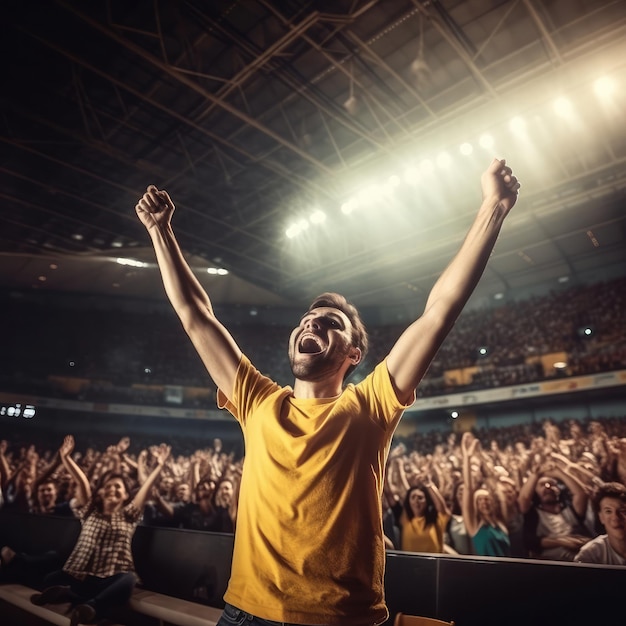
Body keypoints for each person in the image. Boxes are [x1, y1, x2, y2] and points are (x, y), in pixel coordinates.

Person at [135, 158, 520, 625]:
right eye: (306, 320)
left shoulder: (371, 405)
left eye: (330, 323)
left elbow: (440, 310)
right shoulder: (258, 401)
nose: (311, 322)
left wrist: (493, 207)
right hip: (245, 614)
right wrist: (160, 232)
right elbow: (196, 315)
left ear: (354, 354)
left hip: (341, 618)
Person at [30, 435, 170, 626]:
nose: (113, 489)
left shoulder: (129, 515)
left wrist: (159, 466)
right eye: (108, 486)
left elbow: (145, 489)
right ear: (101, 492)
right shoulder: (89, 512)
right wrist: (66, 459)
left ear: (126, 495)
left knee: (127, 581)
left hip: (111, 578)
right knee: (50, 578)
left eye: (118, 487)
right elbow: (83, 483)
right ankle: (73, 595)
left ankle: (88, 606)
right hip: (79, 575)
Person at [460, 432, 511, 556]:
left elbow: (495, 486)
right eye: (480, 500)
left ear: (493, 502)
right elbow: (468, 487)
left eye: (487, 499)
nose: (484, 502)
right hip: (488, 573)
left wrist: (481, 457)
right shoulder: (474, 525)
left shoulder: (501, 521)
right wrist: (467, 457)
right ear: (475, 505)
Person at [575, 482, 626, 565]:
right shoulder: (590, 554)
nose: (615, 517)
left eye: (622, 511)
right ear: (601, 517)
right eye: (608, 511)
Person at [395, 483, 451, 553]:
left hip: (432, 563)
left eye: (420, 498)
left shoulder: (435, 520)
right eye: (413, 497)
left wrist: (430, 486)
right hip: (409, 562)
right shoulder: (405, 520)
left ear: (427, 501)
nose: (416, 501)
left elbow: (442, 509)